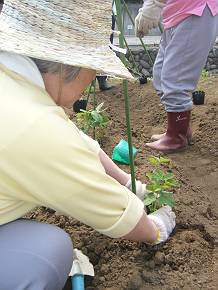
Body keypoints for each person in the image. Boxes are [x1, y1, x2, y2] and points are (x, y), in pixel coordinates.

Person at [0, 1, 175, 290]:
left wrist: (126, 182)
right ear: (70, 66)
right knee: (48, 252)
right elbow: (120, 216)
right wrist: (155, 229)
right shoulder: (35, 128)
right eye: (93, 70)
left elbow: (76, 140)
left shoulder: (15, 87)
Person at [135, 0, 218, 153]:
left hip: (195, 11)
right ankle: (181, 129)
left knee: (175, 79)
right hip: (175, 16)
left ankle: (177, 138)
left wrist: (155, 4)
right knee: (160, 75)